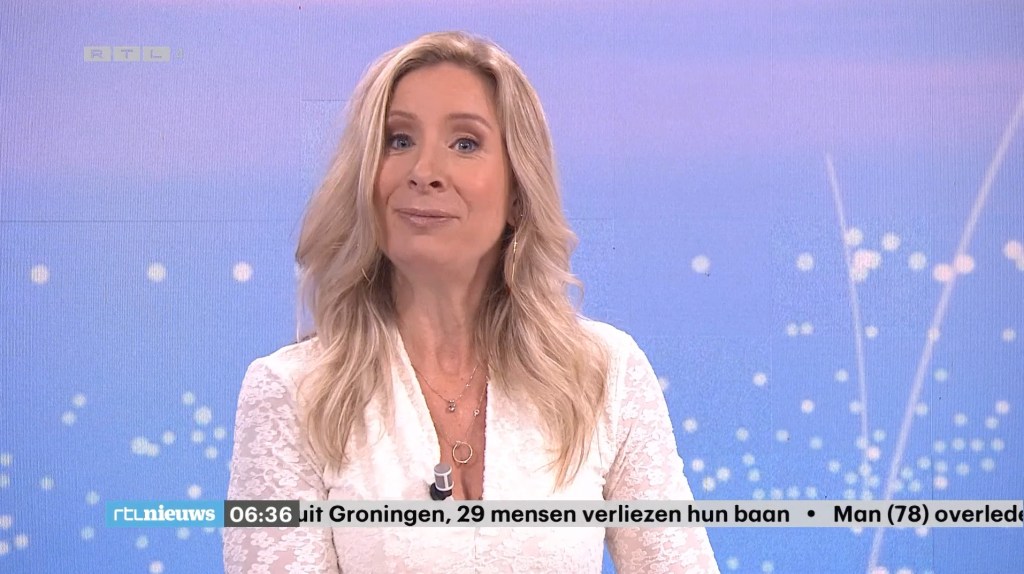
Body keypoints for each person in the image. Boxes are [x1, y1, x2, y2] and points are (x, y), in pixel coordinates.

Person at [224, 30, 718, 573]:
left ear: (517, 190)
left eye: (464, 144)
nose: (424, 172)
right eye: (398, 140)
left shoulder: (604, 375)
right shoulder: (293, 393)